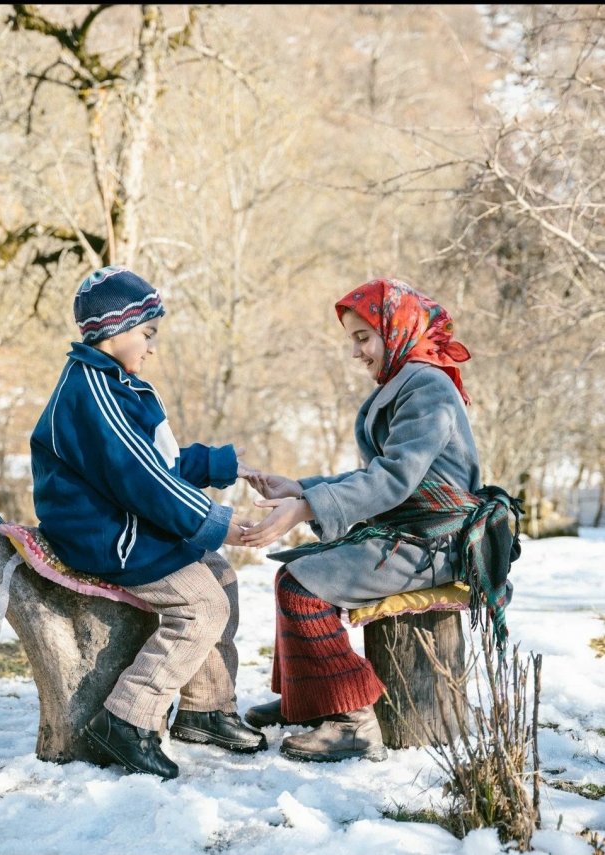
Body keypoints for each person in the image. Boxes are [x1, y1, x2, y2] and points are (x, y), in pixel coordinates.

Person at [241, 276, 519, 764]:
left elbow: (393, 480)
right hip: (408, 534)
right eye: (353, 339)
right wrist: (302, 488)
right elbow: (378, 473)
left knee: (302, 587)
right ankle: (309, 701)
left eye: (362, 338)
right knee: (292, 576)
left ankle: (352, 721)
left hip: (435, 543)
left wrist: (308, 508)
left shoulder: (427, 387)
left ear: (397, 329)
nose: (356, 353)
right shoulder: (406, 382)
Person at [30, 265, 267, 780]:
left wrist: (221, 465)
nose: (152, 346)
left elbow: (157, 464)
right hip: (103, 535)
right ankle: (126, 719)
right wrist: (214, 519)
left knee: (220, 576)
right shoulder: (91, 393)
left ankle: (206, 708)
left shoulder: (117, 385)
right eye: (147, 333)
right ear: (113, 330)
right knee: (202, 604)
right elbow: (142, 481)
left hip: (124, 520)